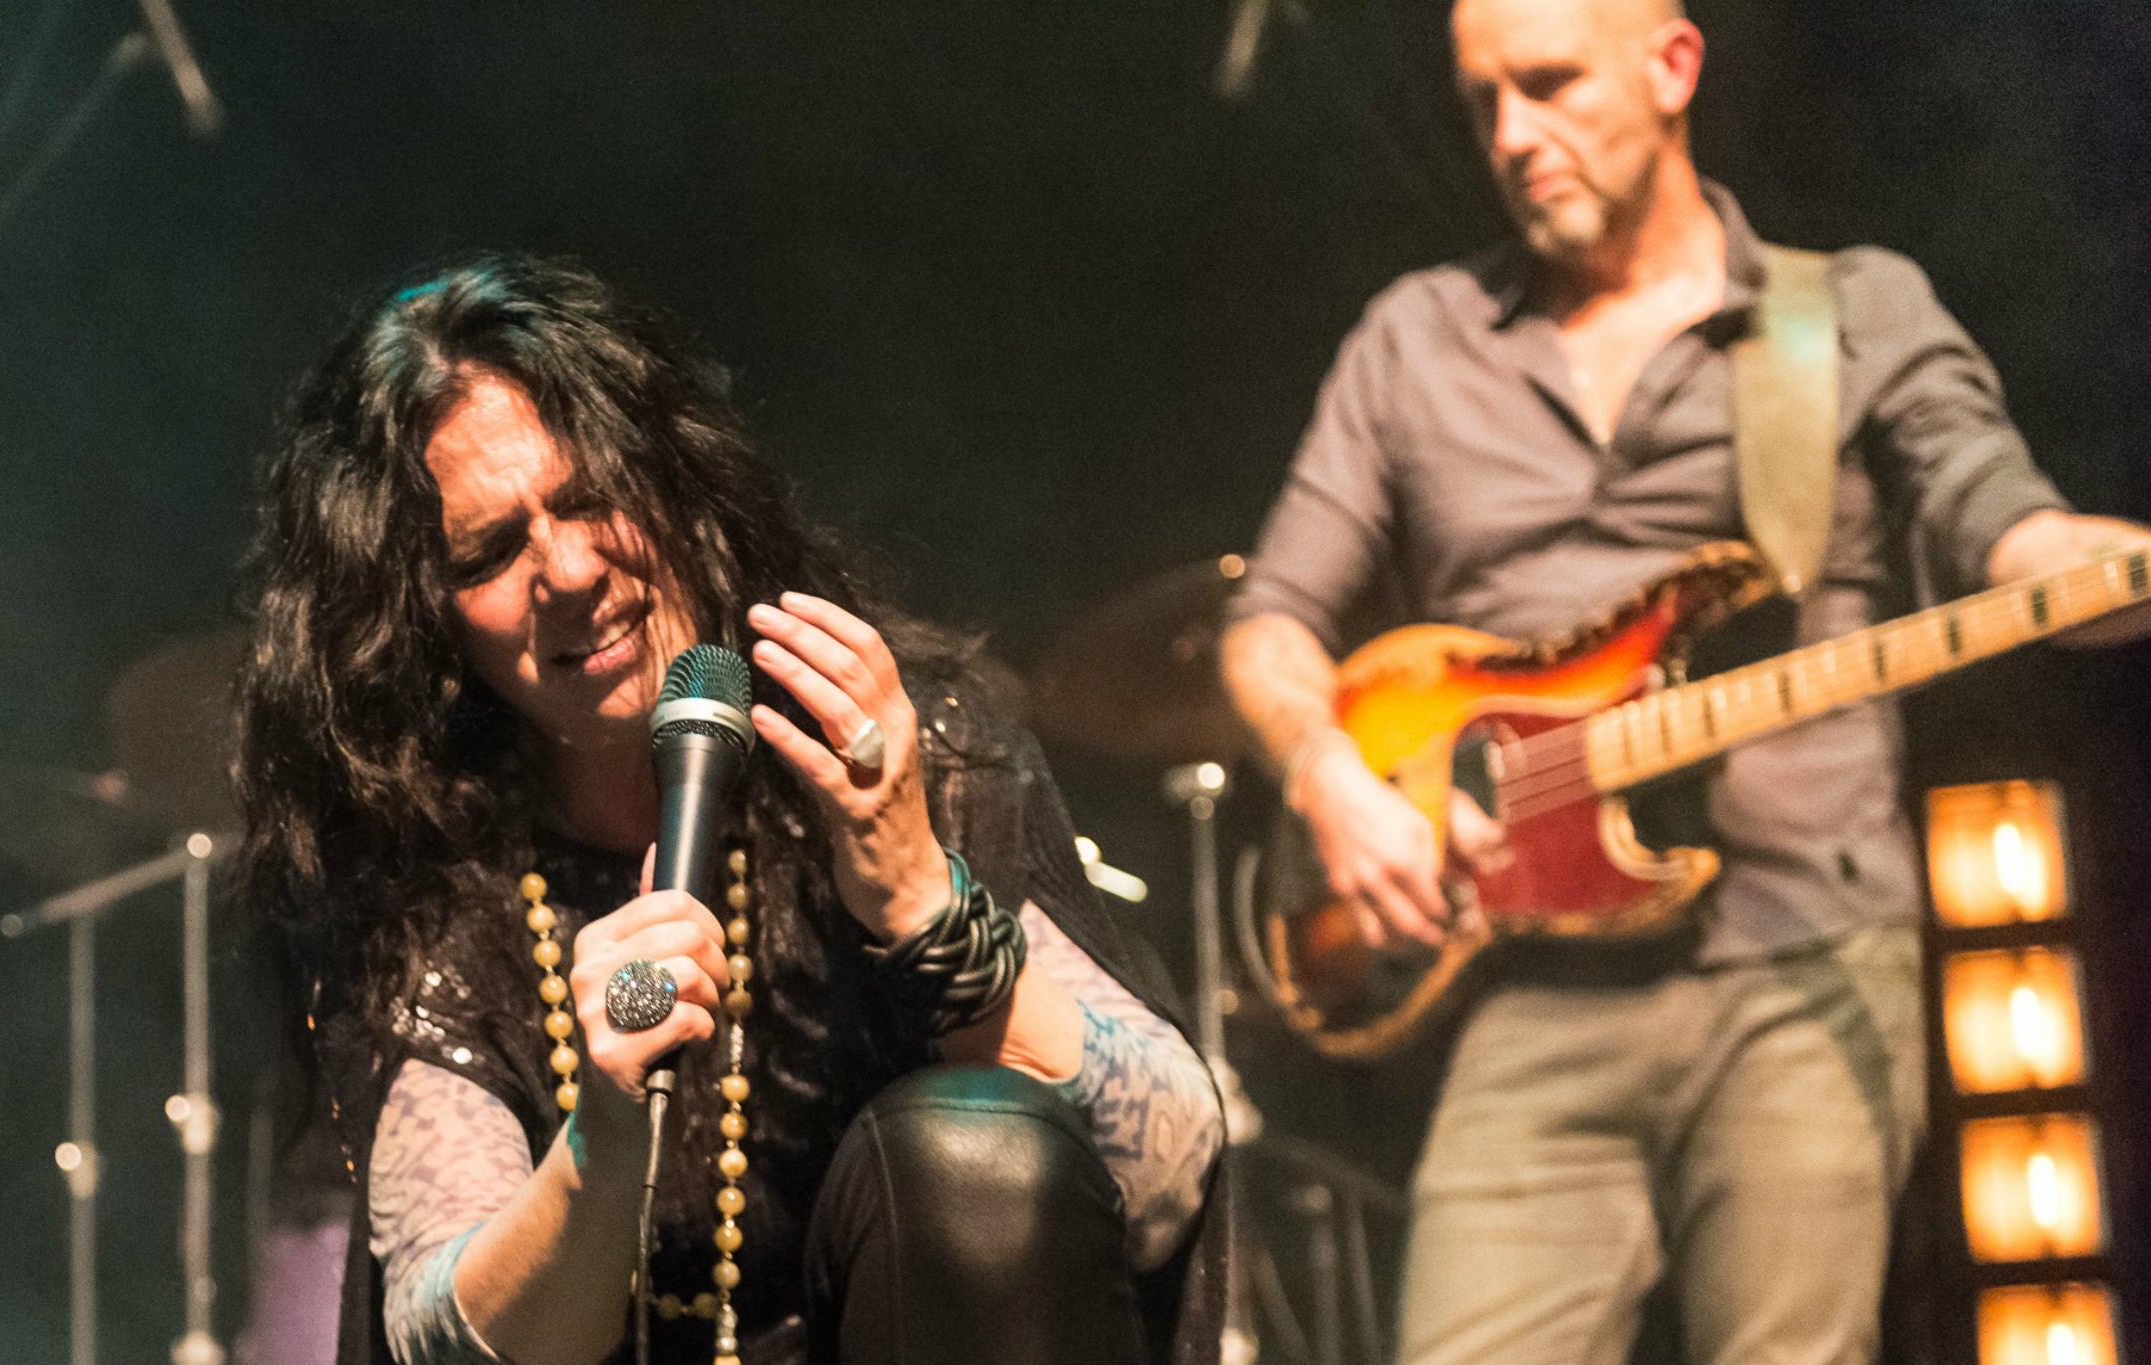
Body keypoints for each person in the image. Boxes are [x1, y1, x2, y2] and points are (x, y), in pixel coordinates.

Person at [1217, 1, 2151, 1361]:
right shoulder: (1415, 338)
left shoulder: (1844, 312)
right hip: (1527, 990)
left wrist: (2093, 562)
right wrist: (1328, 776)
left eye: (1547, 85)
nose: (1510, 135)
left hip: (1800, 955)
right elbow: (1268, 623)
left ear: (1671, 67)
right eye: (1482, 101)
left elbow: (2006, 528)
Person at [232, 255, 1223, 1365]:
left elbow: (1168, 1179)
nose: (569, 570)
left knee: (968, 1151)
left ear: (678, 482)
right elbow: (447, 1334)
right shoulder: (424, 885)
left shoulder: (902, 751)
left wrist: (921, 902)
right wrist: (605, 1131)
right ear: (426, 622)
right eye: (491, 551)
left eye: (592, 495)